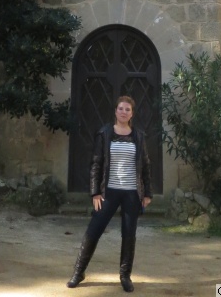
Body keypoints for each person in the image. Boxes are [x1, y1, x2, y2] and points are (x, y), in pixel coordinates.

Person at [66, 95, 152, 292]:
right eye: (120, 108)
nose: (123, 112)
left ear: (132, 113)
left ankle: (125, 276)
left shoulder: (138, 136)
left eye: (127, 109)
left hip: (131, 192)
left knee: (129, 235)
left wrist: (147, 193)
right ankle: (78, 272)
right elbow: (96, 163)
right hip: (108, 191)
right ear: (115, 111)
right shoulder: (104, 133)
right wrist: (95, 192)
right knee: (93, 231)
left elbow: (146, 165)